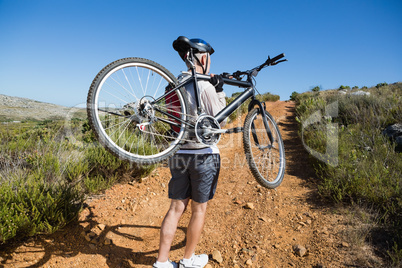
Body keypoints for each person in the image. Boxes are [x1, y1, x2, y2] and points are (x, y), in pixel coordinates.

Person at [152, 37, 226, 268]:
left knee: (175, 208)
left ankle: (161, 262)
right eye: (209, 57)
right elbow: (220, 120)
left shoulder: (172, 85)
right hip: (204, 154)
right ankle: (187, 260)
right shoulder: (204, 85)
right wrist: (219, 90)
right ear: (202, 57)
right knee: (198, 210)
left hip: (180, 153)